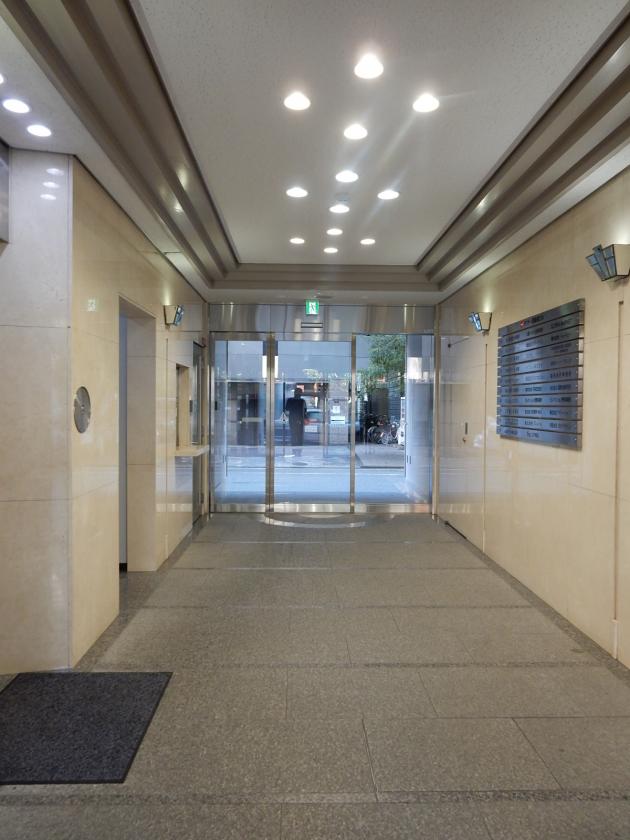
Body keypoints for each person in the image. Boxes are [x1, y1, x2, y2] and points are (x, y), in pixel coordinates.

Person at [284, 386, 307, 456]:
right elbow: (305, 412)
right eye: (300, 393)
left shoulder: (290, 400)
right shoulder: (302, 401)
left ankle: (295, 451)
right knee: (299, 436)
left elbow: (287, 410)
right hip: (299, 420)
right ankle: (298, 451)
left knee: (294, 435)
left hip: (293, 420)